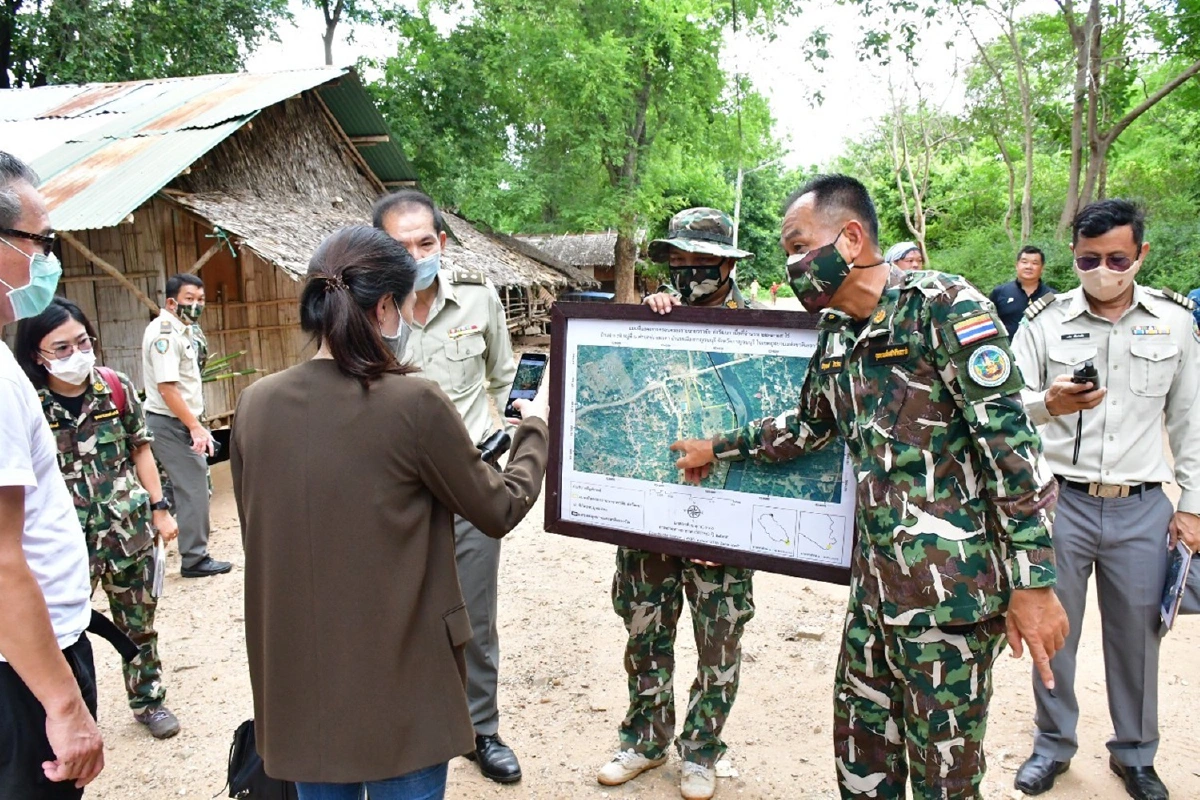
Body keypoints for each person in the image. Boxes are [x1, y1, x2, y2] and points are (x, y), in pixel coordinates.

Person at [670, 174, 1069, 800]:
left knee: (946, 781)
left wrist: (1036, 585)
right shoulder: (836, 333)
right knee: (862, 766)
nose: (792, 264)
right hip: (873, 596)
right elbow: (807, 427)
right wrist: (715, 446)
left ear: (850, 238)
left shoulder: (944, 308)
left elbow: (1012, 455)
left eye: (799, 246)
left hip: (950, 604)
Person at [231, 225, 549, 800]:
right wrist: (535, 428)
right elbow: (499, 507)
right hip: (403, 686)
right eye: (402, 306)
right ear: (384, 307)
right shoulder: (413, 400)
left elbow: (263, 534)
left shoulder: (256, 403)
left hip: (303, 688)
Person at [1009, 199, 1200, 800]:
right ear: (1074, 256)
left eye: (1117, 257)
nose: (1103, 270)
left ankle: (1136, 755)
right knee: (1051, 632)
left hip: (1142, 506)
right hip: (1059, 503)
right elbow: (1004, 408)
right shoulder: (1043, 320)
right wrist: (1050, 404)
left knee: (1137, 637)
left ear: (1140, 254)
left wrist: (1192, 503)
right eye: (1089, 259)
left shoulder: (1174, 323)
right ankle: (1052, 746)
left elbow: (1191, 419)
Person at [599, 208, 756, 800]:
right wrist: (641, 327)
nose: (689, 274)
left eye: (702, 263)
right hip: (649, 514)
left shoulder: (766, 332)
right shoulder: (653, 321)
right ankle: (644, 739)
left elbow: (780, 432)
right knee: (644, 630)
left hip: (724, 517)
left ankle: (701, 751)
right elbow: (615, 399)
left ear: (727, 265)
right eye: (680, 263)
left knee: (719, 639)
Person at [372, 189, 524, 784]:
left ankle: (480, 730)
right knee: (393, 614)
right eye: (398, 246)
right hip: (391, 495)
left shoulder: (480, 303)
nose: (415, 254)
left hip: (467, 486)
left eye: (425, 242)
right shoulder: (365, 311)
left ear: (442, 241)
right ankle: (404, 726)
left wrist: (519, 428)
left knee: (473, 615)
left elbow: (505, 379)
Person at [16, 298, 183, 740]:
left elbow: (141, 448)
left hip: (128, 531)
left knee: (139, 626)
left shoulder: (114, 386)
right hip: (64, 543)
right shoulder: (27, 403)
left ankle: (149, 702)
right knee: (59, 633)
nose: (77, 354)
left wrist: (159, 507)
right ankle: (65, 714)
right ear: (37, 353)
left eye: (82, 342)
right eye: (62, 348)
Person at [0, 150, 104, 797]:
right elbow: (2, 560)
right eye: (40, 241)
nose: (48, 258)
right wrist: (65, 708)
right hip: (23, 672)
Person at [141, 273, 229, 578]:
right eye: (189, 299)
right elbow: (168, 389)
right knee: (194, 489)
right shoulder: (165, 334)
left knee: (176, 491)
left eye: (200, 300)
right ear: (171, 301)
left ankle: (144, 547)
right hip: (171, 423)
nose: (196, 305)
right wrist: (195, 427)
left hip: (177, 421)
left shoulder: (184, 331)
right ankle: (194, 558)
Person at [989, 246, 1056, 337]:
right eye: (1024, 262)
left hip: (1042, 350)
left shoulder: (1052, 296)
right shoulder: (1000, 293)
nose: (1029, 266)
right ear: (1017, 265)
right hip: (1009, 349)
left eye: (1035, 263)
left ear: (1042, 268)